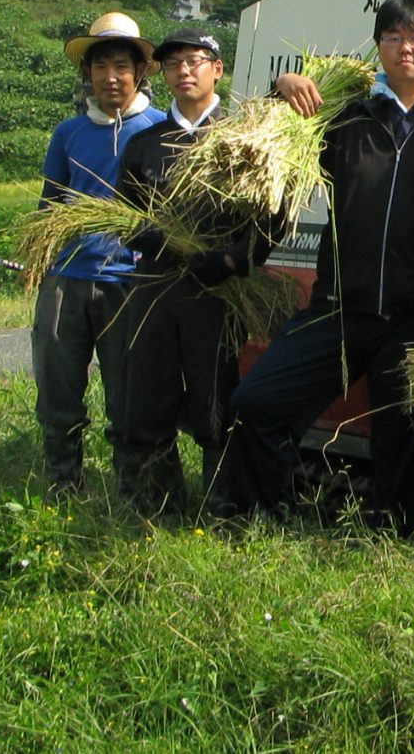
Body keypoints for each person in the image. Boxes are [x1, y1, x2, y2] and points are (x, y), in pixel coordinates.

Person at [217, 0, 414, 530]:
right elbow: (272, 153)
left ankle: (394, 536)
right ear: (379, 48)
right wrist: (282, 88)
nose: (404, 48)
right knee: (256, 401)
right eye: (392, 37)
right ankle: (260, 516)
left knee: (403, 441)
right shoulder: (344, 119)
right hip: (338, 307)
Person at [115, 28, 281, 515]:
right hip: (155, 288)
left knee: (218, 402)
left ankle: (222, 508)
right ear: (162, 75)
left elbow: (273, 215)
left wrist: (234, 259)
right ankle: (154, 506)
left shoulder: (243, 138)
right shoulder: (145, 143)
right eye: (173, 64)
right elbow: (124, 216)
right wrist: (157, 239)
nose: (184, 71)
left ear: (217, 69)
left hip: (220, 291)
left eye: (194, 61)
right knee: (147, 397)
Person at [33, 12, 163, 495]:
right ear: (86, 73)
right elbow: (49, 205)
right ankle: (62, 484)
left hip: (128, 281)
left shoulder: (158, 131)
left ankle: (132, 491)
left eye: (122, 66)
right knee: (57, 389)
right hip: (67, 278)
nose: (112, 77)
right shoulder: (68, 134)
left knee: (128, 396)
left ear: (141, 72)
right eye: (101, 66)